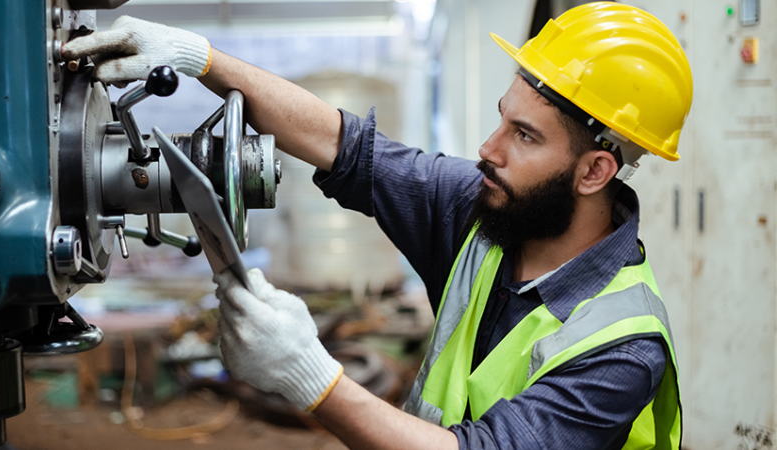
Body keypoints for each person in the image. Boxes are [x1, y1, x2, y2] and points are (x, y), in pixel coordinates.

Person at [65, 2, 692, 448]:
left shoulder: (621, 347)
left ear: (595, 171)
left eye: (523, 136)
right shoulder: (486, 209)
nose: (488, 149)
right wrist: (201, 58)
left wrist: (309, 375)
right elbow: (350, 150)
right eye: (504, 119)